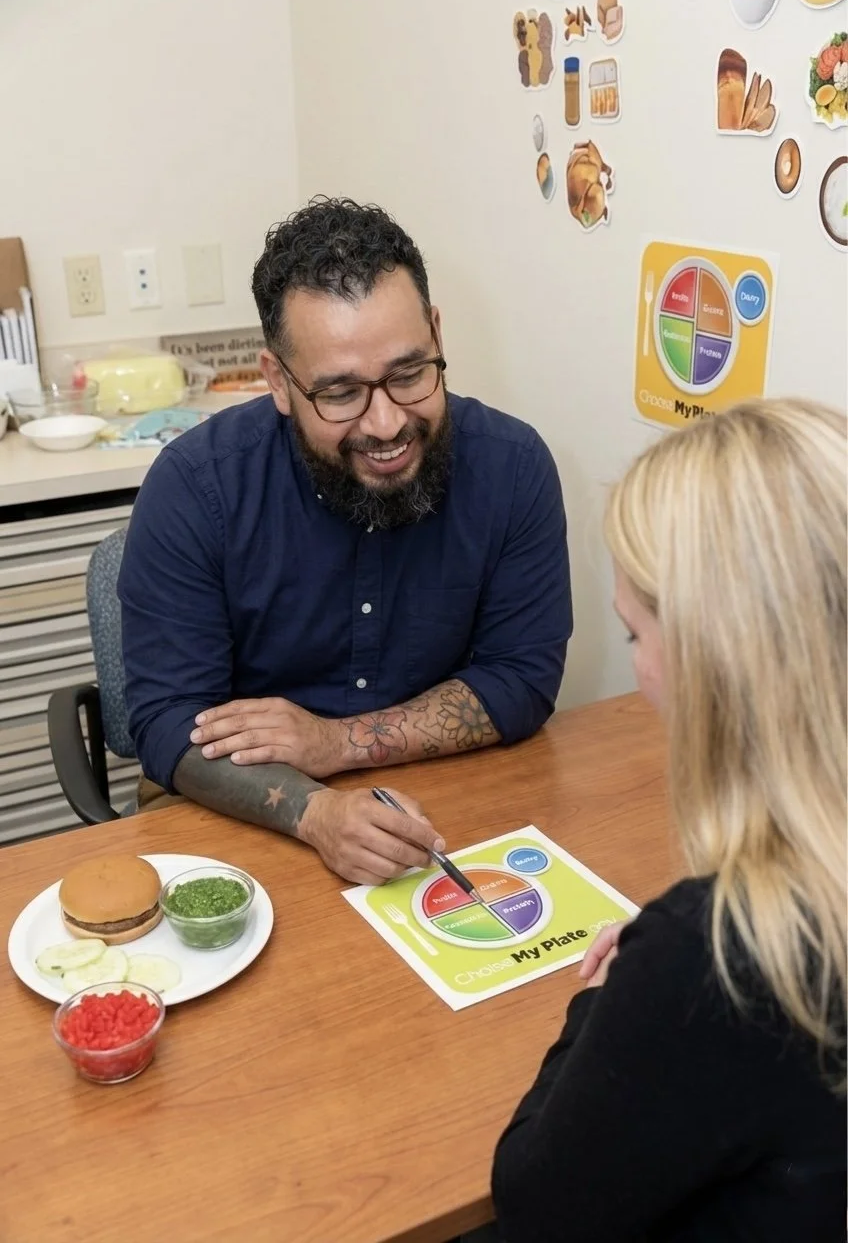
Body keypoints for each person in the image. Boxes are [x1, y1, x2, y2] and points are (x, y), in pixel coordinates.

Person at [118, 198, 572, 884]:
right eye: (340, 394)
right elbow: (168, 723)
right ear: (278, 381)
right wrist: (315, 812)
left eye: (410, 373)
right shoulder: (195, 487)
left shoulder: (514, 466)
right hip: (243, 816)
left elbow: (522, 679)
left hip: (444, 801)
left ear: (437, 335)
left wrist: (335, 743)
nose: (387, 422)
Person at [491, 400, 847, 1241]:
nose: (636, 669)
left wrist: (619, 989)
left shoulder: (716, 954)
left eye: (634, 633)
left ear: (715, 656)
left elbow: (534, 1203)